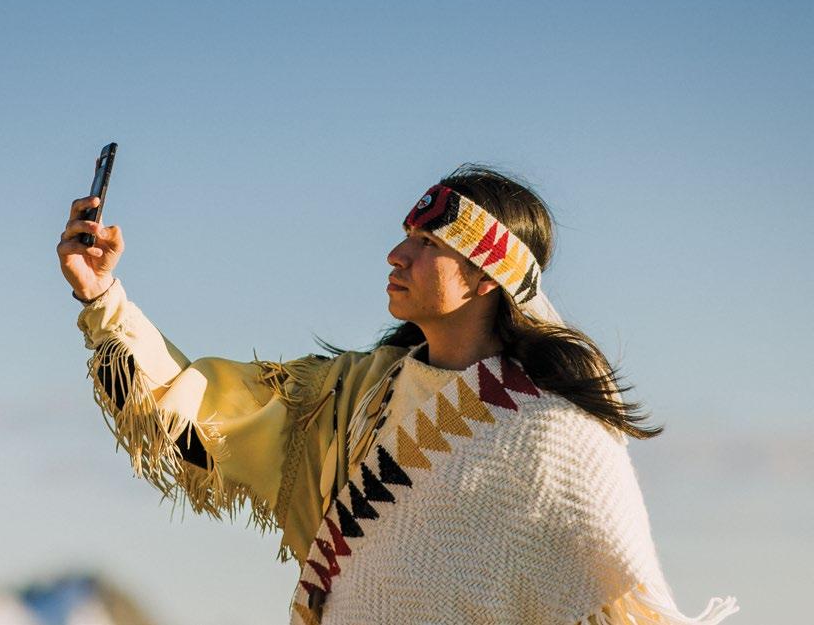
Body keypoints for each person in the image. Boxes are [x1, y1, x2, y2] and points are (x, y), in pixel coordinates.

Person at [57, 163, 740, 625]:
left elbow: (614, 603)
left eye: (426, 242)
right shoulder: (354, 398)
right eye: (406, 235)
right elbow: (198, 407)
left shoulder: (558, 437)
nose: (396, 254)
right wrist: (102, 298)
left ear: (486, 276)